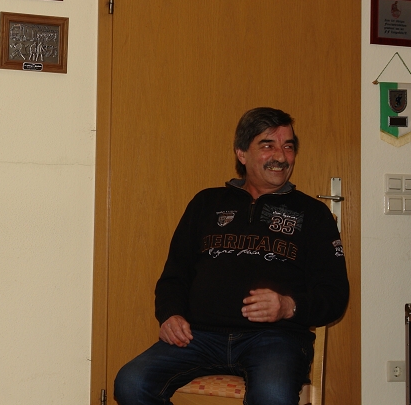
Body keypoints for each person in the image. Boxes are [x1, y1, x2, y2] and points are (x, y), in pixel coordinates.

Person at [113, 107, 349, 405]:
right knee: (131, 383)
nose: (281, 156)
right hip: (199, 337)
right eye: (268, 145)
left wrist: (288, 306)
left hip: (275, 339)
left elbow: (335, 294)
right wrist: (170, 314)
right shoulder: (205, 203)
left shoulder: (314, 214)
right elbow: (175, 276)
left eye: (288, 147)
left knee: (272, 396)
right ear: (242, 153)